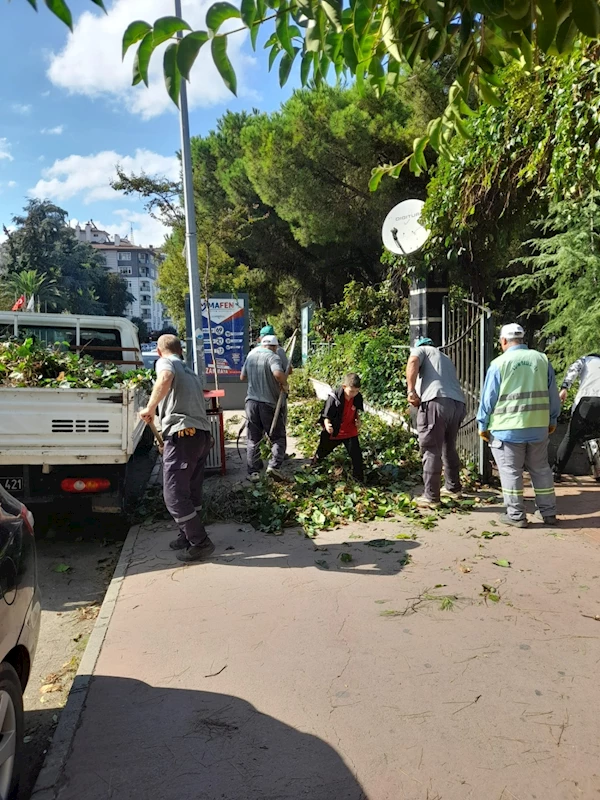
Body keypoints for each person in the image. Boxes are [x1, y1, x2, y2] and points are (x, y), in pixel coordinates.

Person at [139, 334, 215, 564]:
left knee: (173, 494)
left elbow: (164, 379)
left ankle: (200, 542)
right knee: (190, 491)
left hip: (183, 435)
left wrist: (150, 407)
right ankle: (186, 535)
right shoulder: (189, 370)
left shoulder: (166, 362)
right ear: (180, 350)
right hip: (200, 435)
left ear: (160, 351)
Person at [477, 323, 561, 528]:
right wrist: (552, 420)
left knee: (510, 471)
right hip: (538, 427)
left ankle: (516, 515)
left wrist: (483, 424)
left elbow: (488, 398)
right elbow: (553, 394)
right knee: (541, 469)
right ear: (523, 340)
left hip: (507, 429)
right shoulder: (542, 360)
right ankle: (548, 513)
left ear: (503, 341)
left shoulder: (499, 363)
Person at [406, 336, 466, 508]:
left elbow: (413, 362)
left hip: (436, 402)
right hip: (457, 404)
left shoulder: (421, 350)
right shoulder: (445, 358)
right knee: (449, 445)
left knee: (431, 448)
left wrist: (411, 391)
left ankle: (431, 497)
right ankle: (453, 487)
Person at [240, 334, 289, 481]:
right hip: (268, 404)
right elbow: (278, 373)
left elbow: (242, 377)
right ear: (274, 347)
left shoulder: (251, 355)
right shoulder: (272, 357)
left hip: (251, 403)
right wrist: (284, 383)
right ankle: (274, 467)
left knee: (253, 438)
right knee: (278, 437)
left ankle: (253, 472)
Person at [553, 353, 600, 480]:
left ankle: (556, 471)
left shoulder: (586, 359)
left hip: (587, 401)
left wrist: (564, 388)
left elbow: (572, 371)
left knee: (570, 437)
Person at [312, 373, 365, 481]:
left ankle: (359, 479)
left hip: (350, 431)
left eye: (356, 391)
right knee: (323, 451)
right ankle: (315, 466)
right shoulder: (334, 397)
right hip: (335, 431)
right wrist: (327, 424)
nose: (353, 394)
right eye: (351, 391)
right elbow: (326, 414)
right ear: (344, 386)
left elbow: (356, 411)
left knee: (357, 456)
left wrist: (358, 420)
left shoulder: (357, 396)